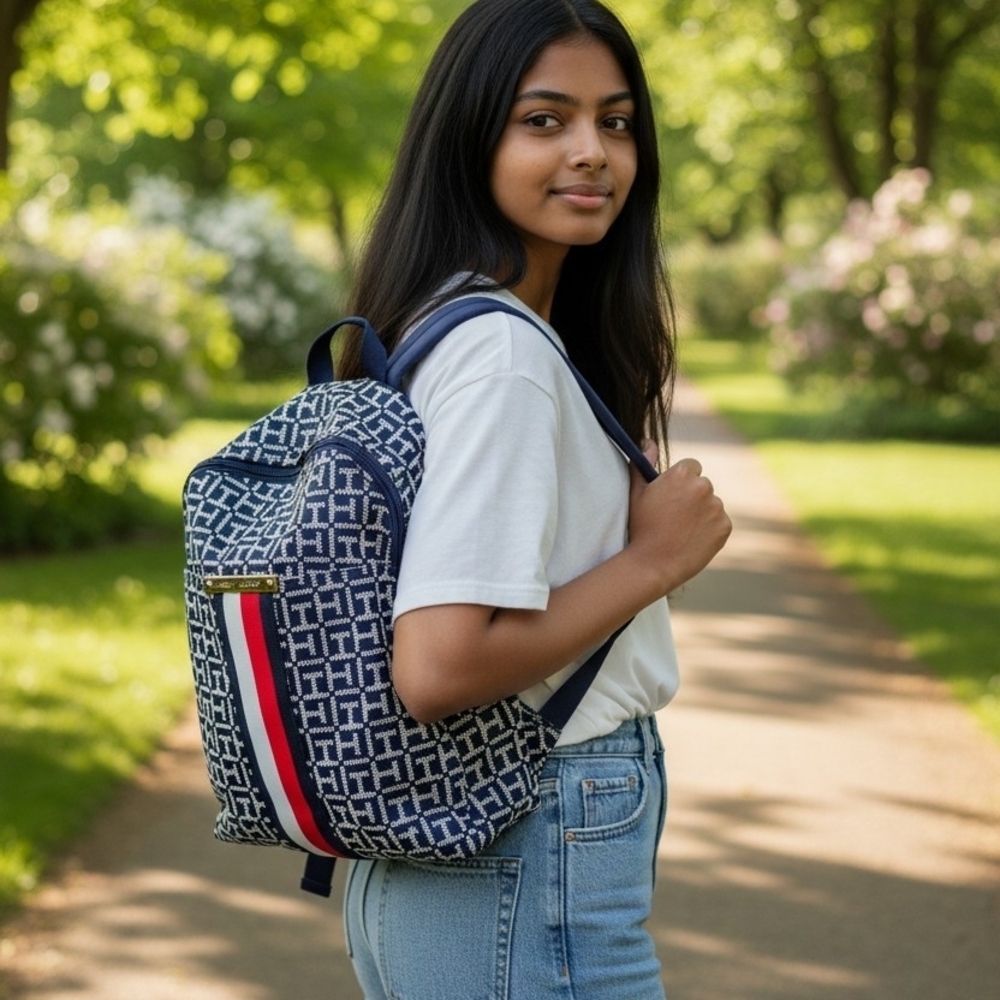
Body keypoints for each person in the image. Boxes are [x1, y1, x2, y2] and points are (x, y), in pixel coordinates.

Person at [339, 1, 731, 997]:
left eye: (616, 121)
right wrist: (654, 560)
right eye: (545, 119)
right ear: (470, 139)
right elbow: (438, 664)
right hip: (526, 828)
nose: (592, 151)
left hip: (466, 851)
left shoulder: (444, 325)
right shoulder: (502, 356)